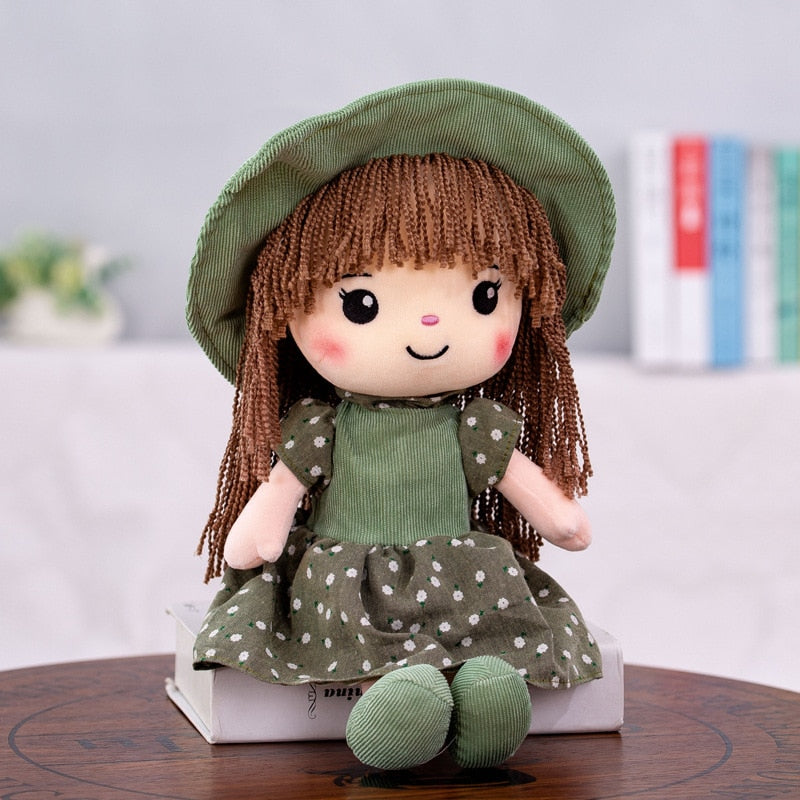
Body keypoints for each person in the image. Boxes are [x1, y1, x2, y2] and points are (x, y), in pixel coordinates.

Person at [187, 80, 615, 771]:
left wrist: (562, 521)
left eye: (484, 295)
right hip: (348, 577)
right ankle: (394, 703)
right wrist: (259, 533)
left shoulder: (474, 427)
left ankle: (483, 694)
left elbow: (556, 516)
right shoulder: (322, 427)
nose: (430, 326)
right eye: (361, 303)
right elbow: (270, 511)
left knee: (484, 646)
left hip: (460, 574)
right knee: (369, 644)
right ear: (283, 309)